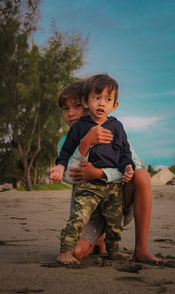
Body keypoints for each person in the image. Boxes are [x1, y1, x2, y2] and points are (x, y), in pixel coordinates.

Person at [50, 74, 135, 264]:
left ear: (114, 105)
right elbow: (64, 154)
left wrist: (128, 166)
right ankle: (65, 251)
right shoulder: (79, 128)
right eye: (96, 98)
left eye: (107, 99)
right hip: (88, 188)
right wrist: (59, 167)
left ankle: (113, 251)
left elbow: (124, 152)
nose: (101, 103)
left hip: (112, 187)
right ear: (87, 101)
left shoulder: (117, 126)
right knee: (78, 217)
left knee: (115, 221)